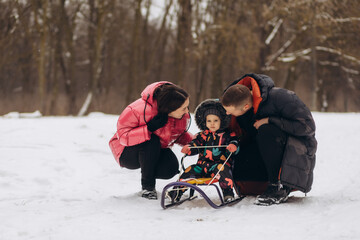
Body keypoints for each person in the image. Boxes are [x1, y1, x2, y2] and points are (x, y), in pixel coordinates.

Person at [221, 73, 317, 206]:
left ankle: (278, 186)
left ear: (246, 107)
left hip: (296, 149)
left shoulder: (283, 98)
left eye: (230, 111)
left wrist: (270, 120)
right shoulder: (238, 102)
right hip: (264, 148)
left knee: (266, 131)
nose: (227, 114)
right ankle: (250, 183)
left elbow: (308, 127)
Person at [109, 82, 193, 200]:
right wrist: (148, 128)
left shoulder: (180, 115)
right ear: (170, 109)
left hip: (155, 150)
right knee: (151, 140)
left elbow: (179, 134)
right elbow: (123, 136)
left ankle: (147, 168)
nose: (187, 111)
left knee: (171, 168)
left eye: (187, 107)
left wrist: (198, 143)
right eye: (183, 108)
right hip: (126, 152)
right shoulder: (136, 110)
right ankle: (148, 188)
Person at [170, 99, 239, 203]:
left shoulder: (228, 135)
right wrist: (189, 148)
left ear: (221, 120)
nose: (212, 124)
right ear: (205, 122)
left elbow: (235, 142)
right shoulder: (202, 135)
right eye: (209, 121)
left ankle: (227, 193)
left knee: (223, 170)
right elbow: (196, 144)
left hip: (218, 166)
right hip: (202, 166)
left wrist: (233, 146)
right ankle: (177, 192)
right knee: (189, 170)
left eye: (215, 120)